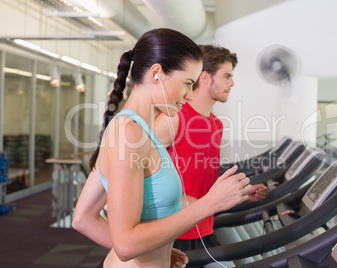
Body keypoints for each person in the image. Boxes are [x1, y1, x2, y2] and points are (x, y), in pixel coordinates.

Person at [72, 28, 252, 268]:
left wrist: (155, 250)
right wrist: (209, 204)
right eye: (187, 84)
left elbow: (83, 219)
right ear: (156, 73)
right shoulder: (129, 133)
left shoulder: (140, 130)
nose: (189, 96)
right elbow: (125, 246)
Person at [154, 45, 268, 253]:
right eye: (226, 76)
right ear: (205, 78)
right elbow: (138, 175)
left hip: (204, 227)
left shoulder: (216, 124)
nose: (232, 83)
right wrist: (178, 200)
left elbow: (202, 177)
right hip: (175, 232)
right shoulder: (174, 119)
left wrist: (242, 191)